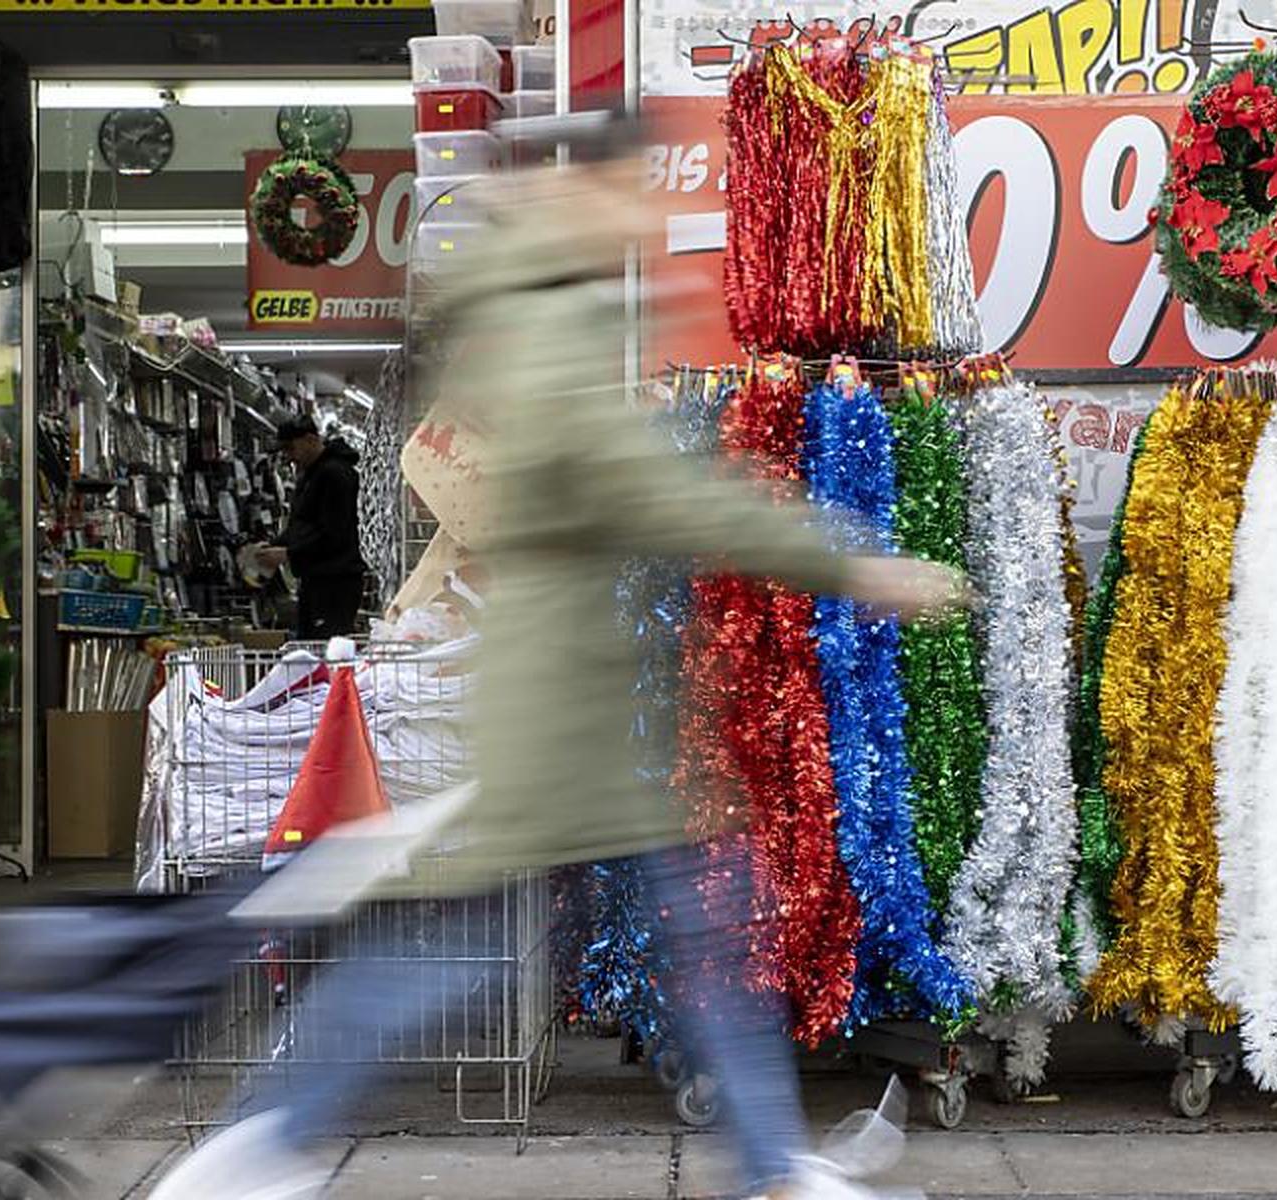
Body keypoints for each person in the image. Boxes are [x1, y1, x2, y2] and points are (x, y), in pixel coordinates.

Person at [163, 113, 965, 1200]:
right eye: (633, 189)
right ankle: (262, 1137)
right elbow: (638, 485)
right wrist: (847, 560)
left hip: (574, 699)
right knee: (488, 945)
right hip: (558, 710)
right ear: (585, 189)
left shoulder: (544, 305)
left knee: (688, 926)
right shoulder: (547, 318)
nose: (645, 212)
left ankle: (773, 1169)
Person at [257, 415, 367, 640]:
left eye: (290, 448)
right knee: (313, 649)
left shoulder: (335, 474)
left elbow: (335, 534)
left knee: (326, 651)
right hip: (318, 579)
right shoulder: (314, 475)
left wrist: (288, 553)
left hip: (335, 582)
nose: (289, 457)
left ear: (309, 439)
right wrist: (275, 544)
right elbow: (303, 524)